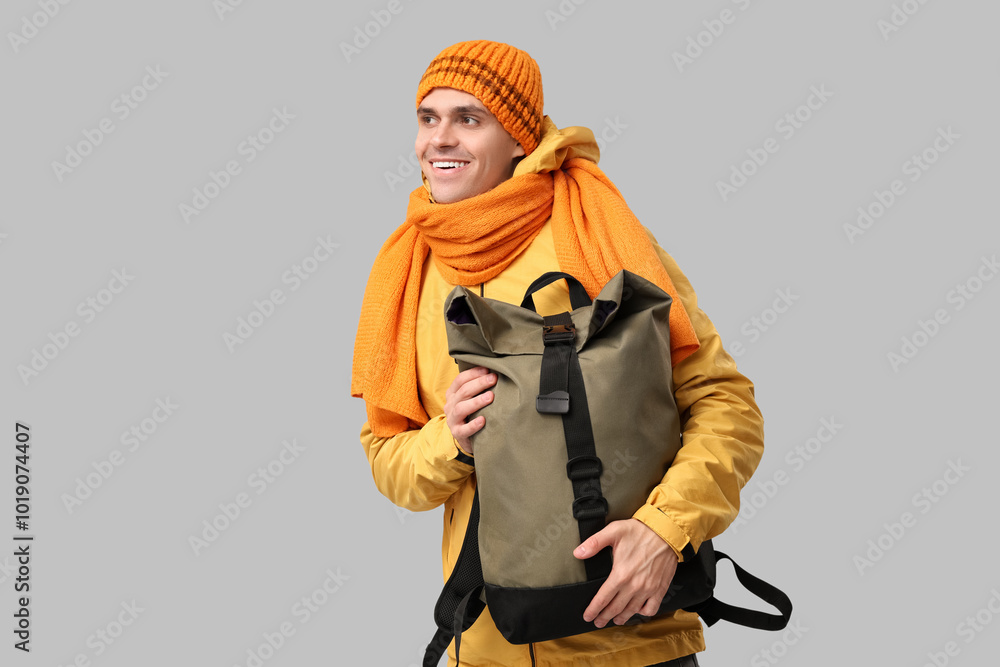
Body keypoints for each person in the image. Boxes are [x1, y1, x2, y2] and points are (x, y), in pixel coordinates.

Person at [352, 40, 764, 667]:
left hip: (631, 644)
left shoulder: (597, 233)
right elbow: (391, 465)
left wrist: (665, 531)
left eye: (470, 118)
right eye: (428, 118)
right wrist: (453, 441)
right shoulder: (406, 271)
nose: (440, 138)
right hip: (485, 644)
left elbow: (724, 407)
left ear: (518, 137)